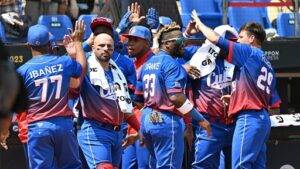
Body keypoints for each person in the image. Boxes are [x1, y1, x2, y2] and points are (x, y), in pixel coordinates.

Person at [191, 10, 281, 169]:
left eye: (240, 37)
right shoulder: (268, 64)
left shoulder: (248, 52)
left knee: (240, 165)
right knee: (257, 166)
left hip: (248, 118)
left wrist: (199, 24)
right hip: (263, 119)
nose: (237, 41)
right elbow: (272, 104)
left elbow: (215, 38)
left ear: (251, 39)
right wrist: (236, 98)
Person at [135, 22, 211, 168]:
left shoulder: (148, 63)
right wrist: (200, 119)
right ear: (167, 44)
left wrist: (142, 126)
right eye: (180, 41)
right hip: (166, 121)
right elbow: (176, 97)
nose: (184, 44)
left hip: (147, 120)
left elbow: (138, 100)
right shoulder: (172, 64)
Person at [16, 21, 86, 169]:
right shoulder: (64, 61)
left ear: (29, 45)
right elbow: (80, 75)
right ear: (50, 43)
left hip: (38, 127)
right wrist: (78, 44)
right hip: (64, 125)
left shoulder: (22, 71)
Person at [77, 33, 140, 169]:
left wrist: (140, 130)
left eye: (109, 46)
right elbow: (69, 64)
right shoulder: (86, 68)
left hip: (117, 133)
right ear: (93, 47)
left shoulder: (117, 72)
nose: (106, 48)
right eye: (101, 45)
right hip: (96, 130)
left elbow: (126, 109)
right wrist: (80, 44)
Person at [188, 24, 239, 169]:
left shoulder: (239, 60)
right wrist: (187, 35)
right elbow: (173, 52)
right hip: (209, 124)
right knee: (202, 166)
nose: (226, 46)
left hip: (235, 123)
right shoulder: (198, 55)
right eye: (222, 42)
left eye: (231, 42)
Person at [121, 25, 154, 169]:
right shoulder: (131, 62)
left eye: (135, 40)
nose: (130, 43)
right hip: (131, 126)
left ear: (147, 43)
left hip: (146, 126)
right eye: (129, 39)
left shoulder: (154, 63)